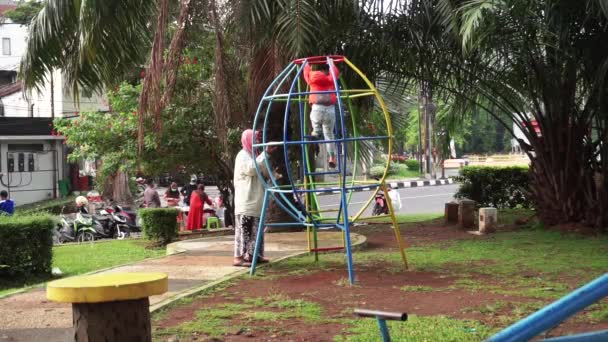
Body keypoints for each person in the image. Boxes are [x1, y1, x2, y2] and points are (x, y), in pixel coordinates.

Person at [233, 129, 272, 267]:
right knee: (245, 230)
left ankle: (254, 255)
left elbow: (265, 172)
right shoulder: (242, 155)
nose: (257, 142)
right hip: (246, 201)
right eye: (255, 139)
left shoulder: (254, 155)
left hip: (257, 200)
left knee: (257, 230)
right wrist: (265, 153)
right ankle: (239, 257)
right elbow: (251, 169)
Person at [303, 62, 340, 168]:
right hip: (330, 110)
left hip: (317, 107)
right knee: (329, 135)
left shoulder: (312, 78)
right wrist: (332, 64)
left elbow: (306, 73)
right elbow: (335, 73)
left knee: (314, 118)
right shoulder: (331, 79)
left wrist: (306, 65)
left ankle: (316, 130)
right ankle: (331, 156)